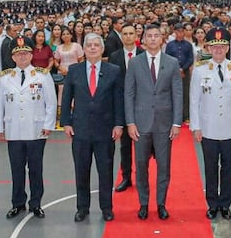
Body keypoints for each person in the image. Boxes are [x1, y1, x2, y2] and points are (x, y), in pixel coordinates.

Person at [61, 33, 124, 222]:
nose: (93, 48)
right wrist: (66, 122)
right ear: (84, 49)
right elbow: (66, 99)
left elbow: (118, 100)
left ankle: (107, 208)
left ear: (102, 49)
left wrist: (118, 124)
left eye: (97, 45)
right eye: (89, 45)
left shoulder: (113, 70)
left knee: (105, 171)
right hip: (80, 129)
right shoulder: (74, 70)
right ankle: (82, 207)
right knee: (81, 170)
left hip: (105, 130)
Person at [0, 36, 57, 220]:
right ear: (13, 57)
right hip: (13, 130)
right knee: (17, 169)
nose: (22, 57)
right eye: (18, 54)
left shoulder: (42, 75)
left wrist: (48, 125)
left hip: (36, 129)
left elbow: (51, 103)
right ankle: (18, 203)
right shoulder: (5, 78)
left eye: (25, 53)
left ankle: (36, 203)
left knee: (36, 169)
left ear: (31, 55)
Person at [124, 24, 183, 221]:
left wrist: (176, 123)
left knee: (164, 167)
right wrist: (130, 122)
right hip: (140, 124)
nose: (152, 39)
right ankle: (143, 203)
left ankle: (161, 204)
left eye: (156, 35)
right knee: (141, 166)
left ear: (162, 39)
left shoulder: (172, 63)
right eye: (149, 36)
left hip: (164, 123)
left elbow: (177, 94)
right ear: (143, 39)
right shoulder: (135, 63)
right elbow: (129, 93)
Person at [189, 27, 231, 220]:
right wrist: (196, 126)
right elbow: (194, 100)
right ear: (208, 48)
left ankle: (226, 204)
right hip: (209, 128)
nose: (218, 50)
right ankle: (212, 204)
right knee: (211, 167)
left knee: (229, 168)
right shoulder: (200, 69)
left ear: (228, 48)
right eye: (214, 47)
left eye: (222, 46)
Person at [107, 24, 144, 192]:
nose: (128, 36)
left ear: (136, 35)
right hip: (122, 107)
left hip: (142, 107)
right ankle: (126, 177)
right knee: (125, 146)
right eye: (125, 34)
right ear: (121, 36)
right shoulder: (114, 56)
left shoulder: (144, 54)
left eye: (131, 33)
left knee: (143, 146)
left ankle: (142, 178)